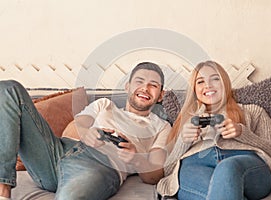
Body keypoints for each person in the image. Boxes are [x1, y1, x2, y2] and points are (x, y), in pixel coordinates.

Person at [0, 62, 171, 200]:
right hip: (59, 152)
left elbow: (154, 176)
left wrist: (136, 158)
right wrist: (87, 133)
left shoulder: (161, 126)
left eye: (153, 85)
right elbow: (75, 127)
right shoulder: (105, 104)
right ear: (127, 86)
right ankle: (3, 190)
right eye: (139, 81)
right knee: (9, 89)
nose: (145, 88)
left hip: (100, 166)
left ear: (161, 95)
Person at [157, 60, 271, 200]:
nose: (208, 85)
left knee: (228, 167)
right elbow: (168, 170)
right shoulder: (186, 120)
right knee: (221, 190)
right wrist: (184, 140)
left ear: (225, 83)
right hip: (195, 165)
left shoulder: (254, 111)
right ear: (194, 89)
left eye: (215, 79)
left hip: (245, 164)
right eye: (200, 81)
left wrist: (243, 133)